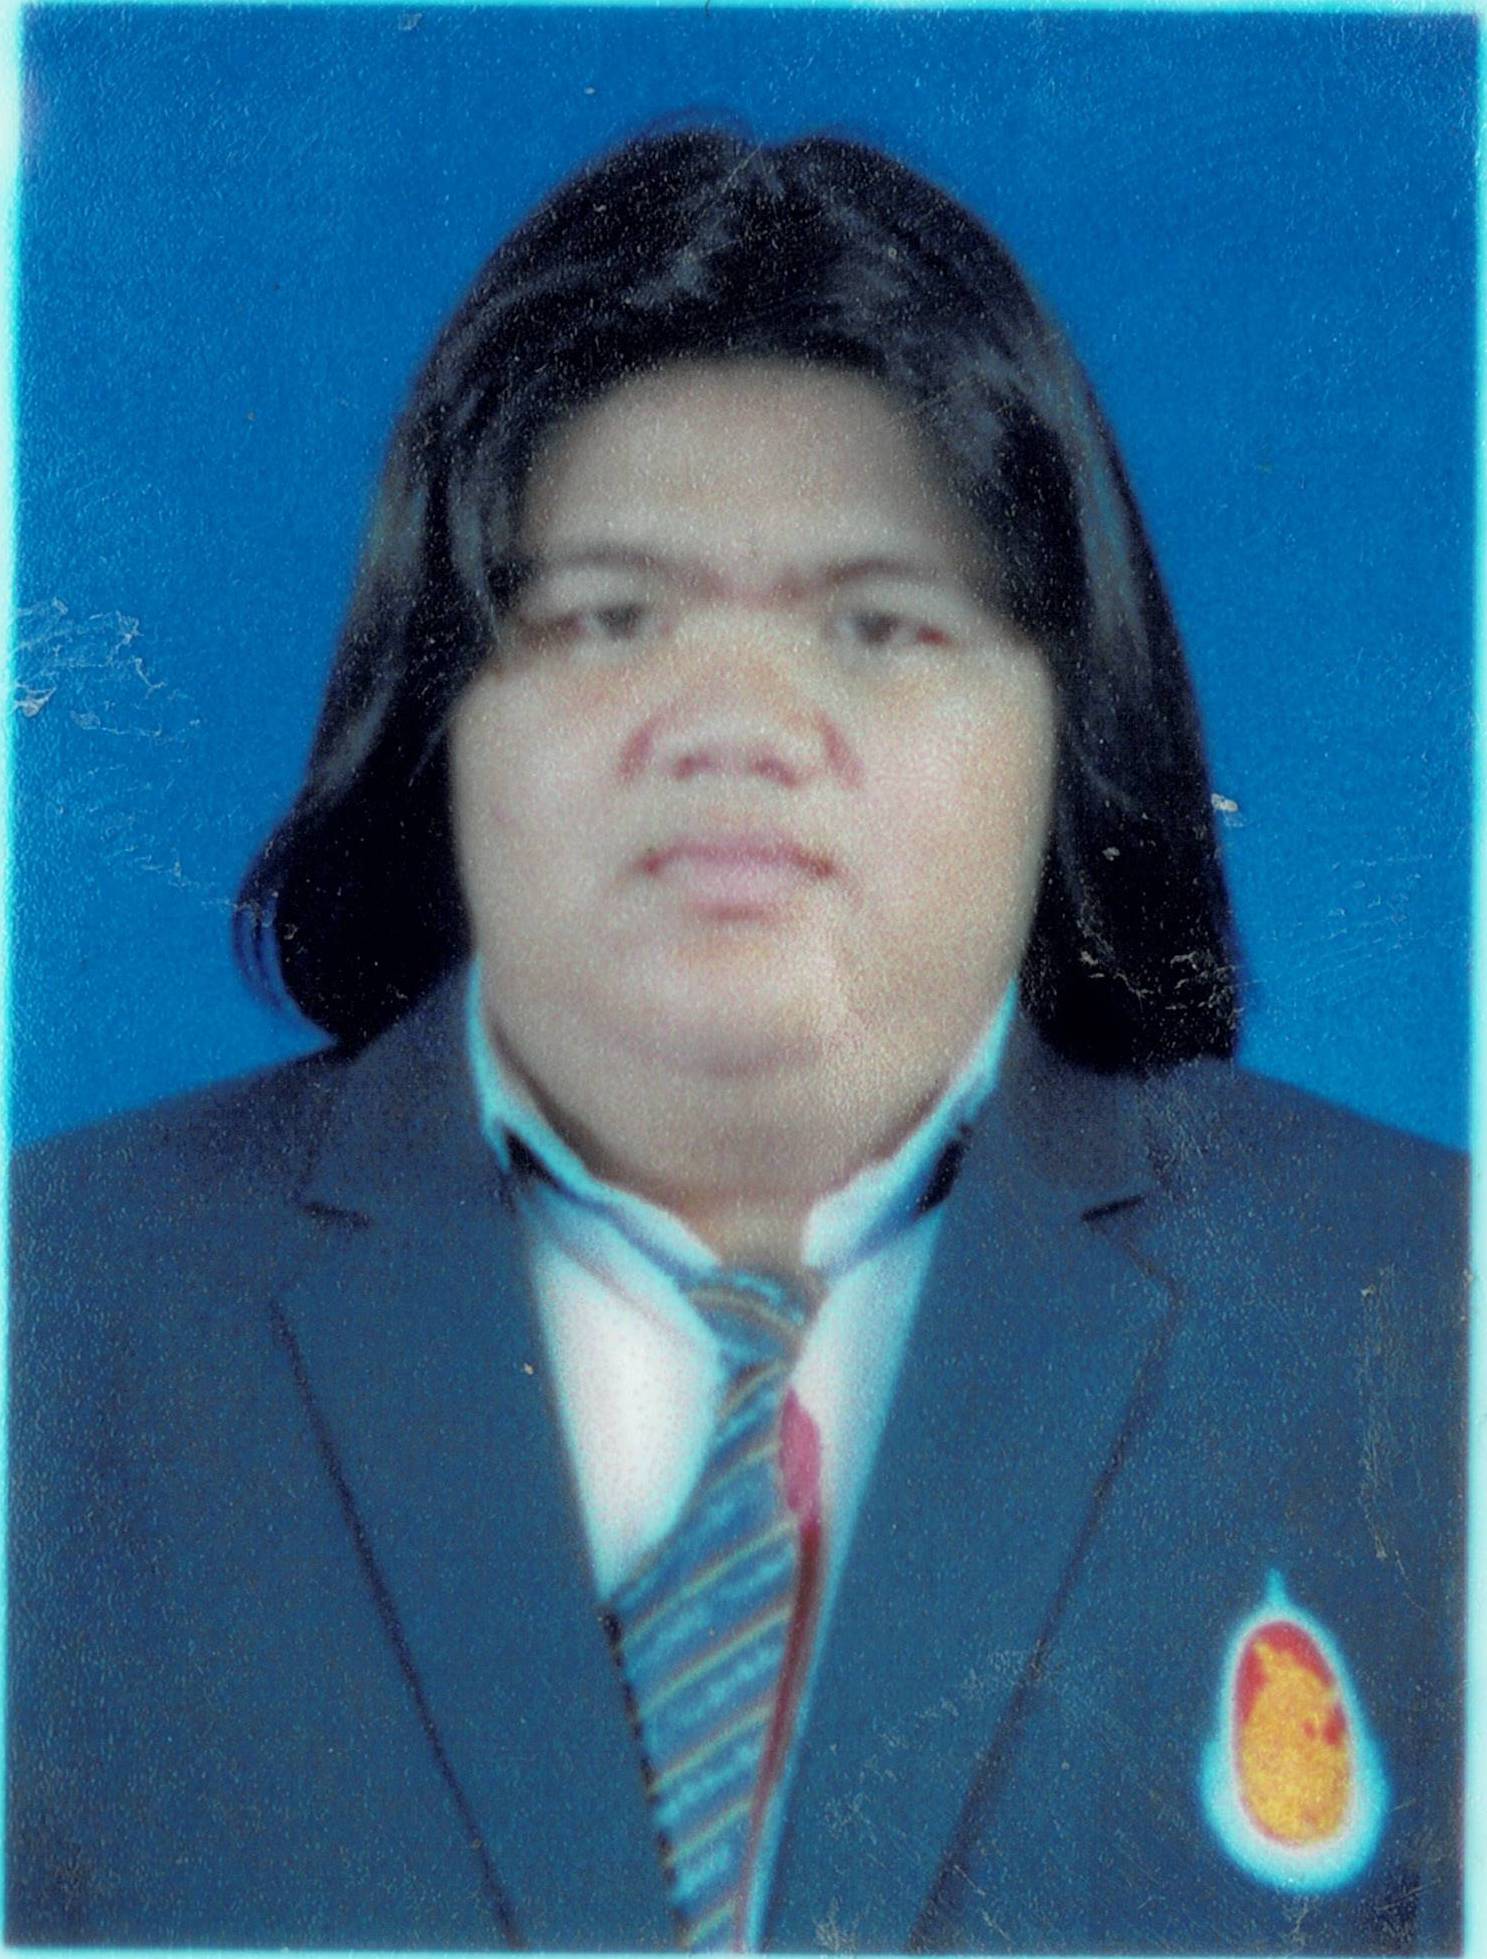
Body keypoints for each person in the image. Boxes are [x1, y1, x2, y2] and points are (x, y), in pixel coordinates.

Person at [8, 127, 1465, 1954]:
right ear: (441, 710)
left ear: (1069, 717)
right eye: (610, 616)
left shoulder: (1428, 1309)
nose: (736, 726)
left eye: (878, 623)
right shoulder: (52, 1312)